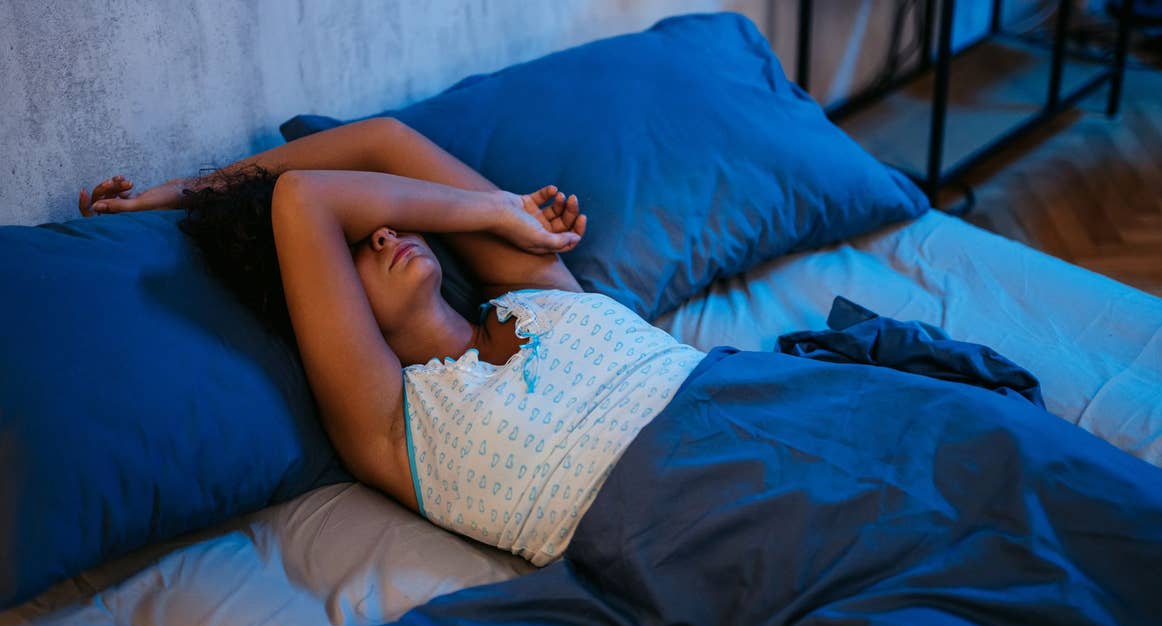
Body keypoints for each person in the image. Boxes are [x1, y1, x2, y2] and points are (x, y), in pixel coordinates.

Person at [78, 117, 706, 565]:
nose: (384, 235)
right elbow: (302, 197)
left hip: (737, 406)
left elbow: (384, 142)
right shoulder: (389, 424)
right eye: (354, 241)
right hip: (679, 527)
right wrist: (491, 210)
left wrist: (500, 212)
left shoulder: (539, 293)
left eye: (386, 220)